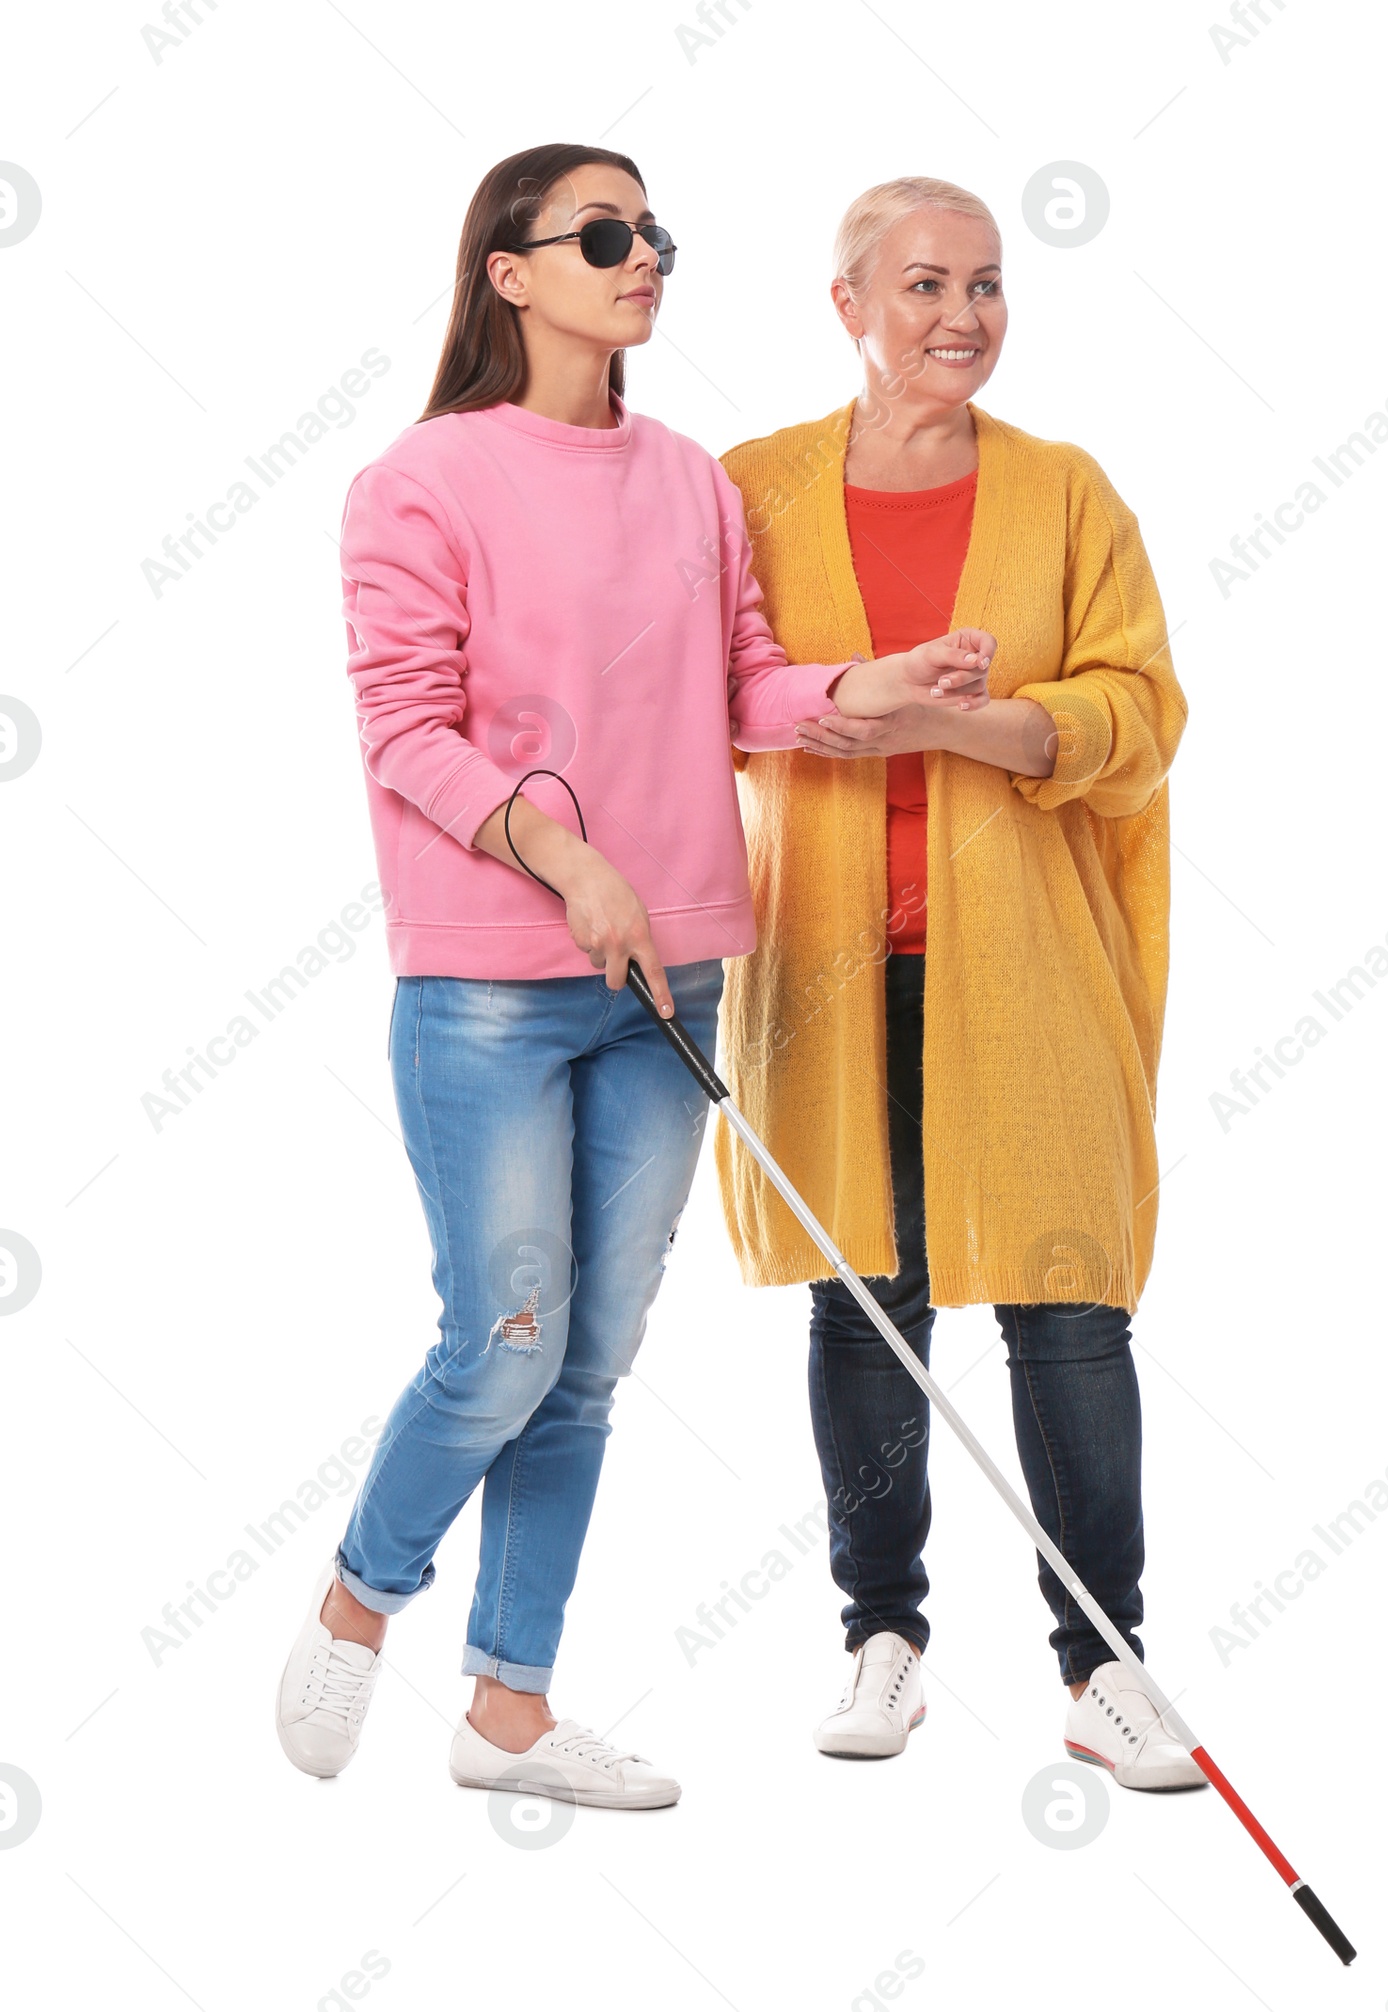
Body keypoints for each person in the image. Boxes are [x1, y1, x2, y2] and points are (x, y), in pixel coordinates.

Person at [274, 144, 992, 1807]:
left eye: (654, 228)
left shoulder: (688, 476)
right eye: (604, 234)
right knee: (503, 1343)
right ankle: (358, 1598)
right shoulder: (419, 481)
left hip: (668, 983)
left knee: (587, 1364)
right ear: (511, 272)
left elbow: (742, 690)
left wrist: (859, 690)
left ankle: (508, 1712)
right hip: (490, 988)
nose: (643, 254)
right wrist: (566, 855)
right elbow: (406, 732)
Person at [712, 177, 1200, 1788]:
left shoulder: (1065, 493)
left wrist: (950, 724)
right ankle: (884, 1639)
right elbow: (705, 700)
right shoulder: (751, 490)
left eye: (988, 286)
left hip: (1030, 968)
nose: (963, 318)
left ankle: (1103, 1663)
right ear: (845, 303)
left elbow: (1136, 716)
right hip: (829, 978)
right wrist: (849, 700)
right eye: (924, 285)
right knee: (868, 1306)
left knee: (1068, 1307)